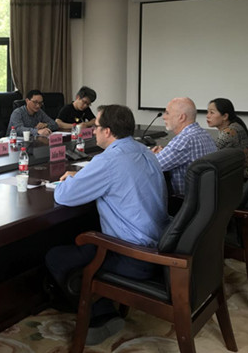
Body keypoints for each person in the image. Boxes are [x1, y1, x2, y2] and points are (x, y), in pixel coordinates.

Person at [46, 105, 169, 344]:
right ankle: (99, 307)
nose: (93, 131)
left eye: (96, 127)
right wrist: (81, 178)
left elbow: (64, 196)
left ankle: (98, 314)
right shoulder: (143, 150)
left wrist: (69, 180)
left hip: (133, 257)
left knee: (57, 257)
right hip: (159, 245)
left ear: (108, 131)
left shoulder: (109, 160)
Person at [151, 97, 217, 196]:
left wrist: (151, 155)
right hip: (205, 197)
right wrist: (163, 153)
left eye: (167, 113)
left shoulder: (185, 140)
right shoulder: (205, 134)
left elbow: (150, 166)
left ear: (181, 117)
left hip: (182, 201)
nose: (164, 117)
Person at [207, 98, 248, 179]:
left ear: (225, 116)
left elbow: (211, 155)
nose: (207, 116)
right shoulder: (236, 125)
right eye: (207, 112)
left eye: (212, 112)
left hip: (243, 177)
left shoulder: (229, 133)